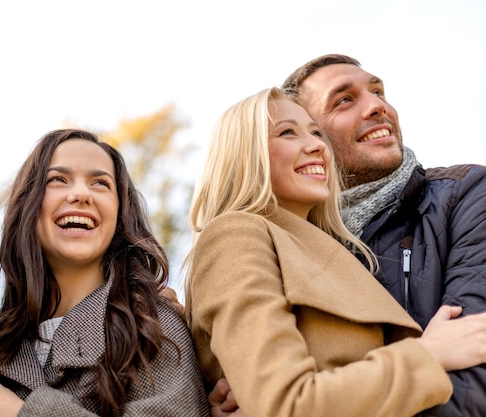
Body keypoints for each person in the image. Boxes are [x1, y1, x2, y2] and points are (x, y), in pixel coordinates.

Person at [185, 86, 486, 417]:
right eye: (287, 132)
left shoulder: (328, 250)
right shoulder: (236, 235)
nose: (317, 145)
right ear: (243, 153)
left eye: (316, 132)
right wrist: (428, 355)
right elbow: (286, 404)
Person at [281, 54, 486, 416]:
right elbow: (281, 392)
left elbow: (473, 371)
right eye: (344, 99)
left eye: (378, 91)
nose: (377, 106)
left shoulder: (466, 195)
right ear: (309, 137)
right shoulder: (286, 246)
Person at [0, 129, 209, 416]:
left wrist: (22, 413)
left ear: (119, 214)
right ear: (29, 204)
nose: (80, 194)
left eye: (100, 183)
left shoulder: (154, 326)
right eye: (58, 180)